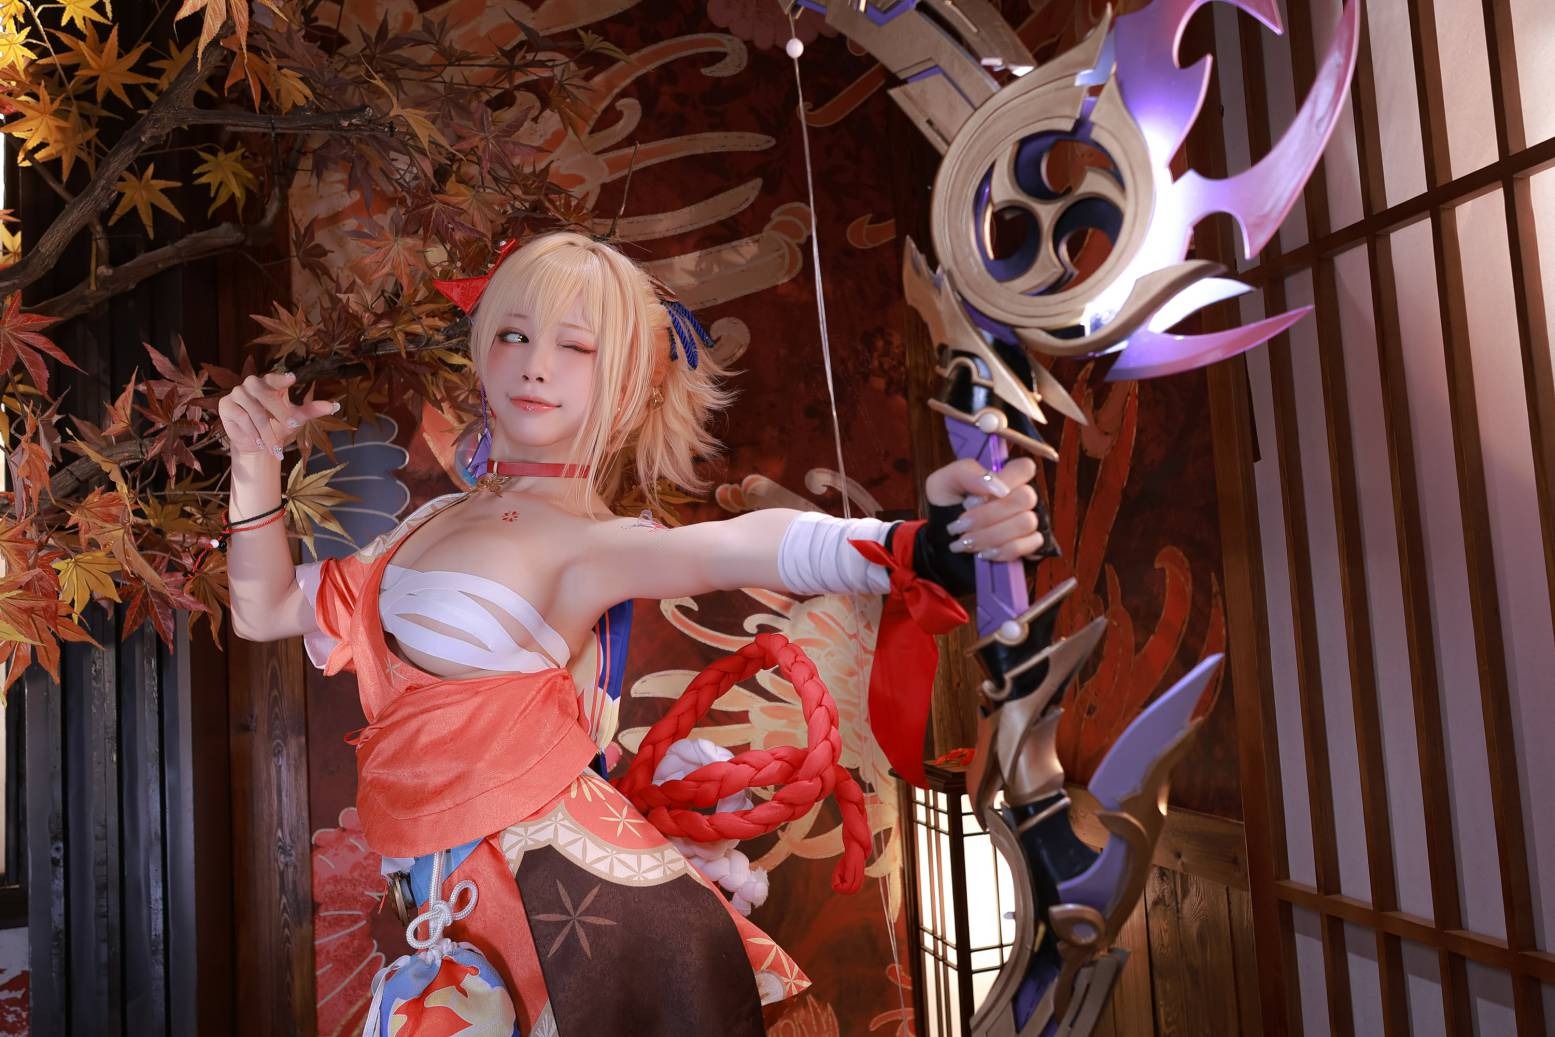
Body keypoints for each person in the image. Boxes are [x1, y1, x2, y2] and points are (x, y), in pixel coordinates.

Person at [220, 231, 1047, 1035]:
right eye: (513, 334)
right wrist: (254, 461)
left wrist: (914, 547)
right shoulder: (426, 522)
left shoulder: (595, 544)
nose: (535, 365)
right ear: (480, 348)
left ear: (626, 383)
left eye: (575, 346)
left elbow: (730, 546)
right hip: (451, 914)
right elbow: (264, 610)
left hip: (546, 902)